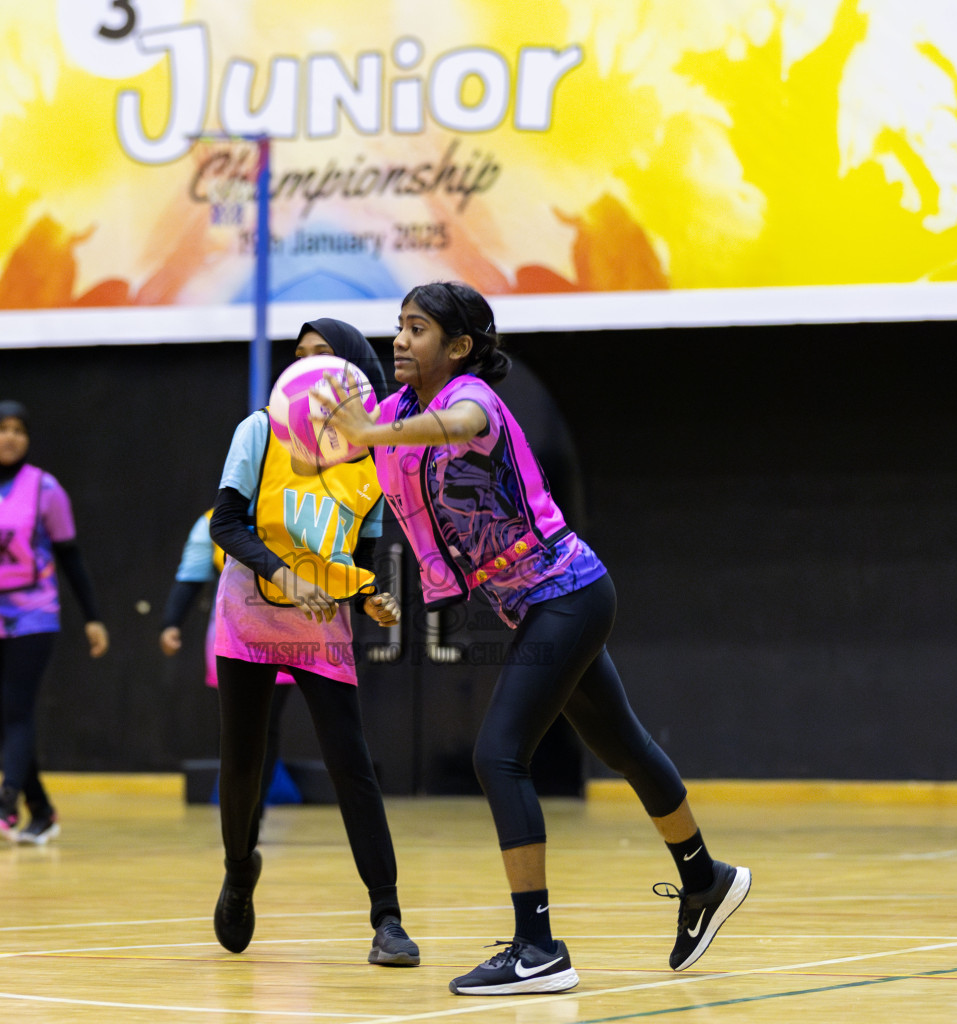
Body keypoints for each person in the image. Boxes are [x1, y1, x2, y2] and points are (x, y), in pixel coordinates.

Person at [322, 282, 751, 996]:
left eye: (417, 328)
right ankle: (706, 879)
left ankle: (538, 947)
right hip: (540, 604)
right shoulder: (395, 412)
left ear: (457, 347)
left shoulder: (472, 402)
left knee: (498, 755)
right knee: (623, 746)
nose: (400, 339)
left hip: (569, 594)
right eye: (397, 325)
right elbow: (349, 445)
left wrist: (368, 434)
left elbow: (455, 427)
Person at [207, 318, 419, 967]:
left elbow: (356, 556)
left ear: (354, 369)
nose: (305, 365)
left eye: (321, 354)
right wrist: (283, 575)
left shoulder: (370, 460)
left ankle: (387, 918)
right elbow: (226, 523)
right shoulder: (259, 430)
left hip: (319, 627)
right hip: (248, 616)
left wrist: (369, 595)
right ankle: (241, 872)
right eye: (297, 356)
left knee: (350, 765)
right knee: (243, 765)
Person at [0, 401, 109, 846]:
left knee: (17, 707)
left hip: (34, 613)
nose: (11, 437)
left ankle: (6, 801)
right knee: (5, 715)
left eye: (19, 430)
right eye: (1, 429)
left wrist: (93, 618)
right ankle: (42, 810)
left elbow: (70, 555)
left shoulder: (45, 488)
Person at [159, 510, 300, 809]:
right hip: (231, 632)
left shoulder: (294, 510)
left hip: (285, 629)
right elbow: (191, 577)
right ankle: (238, 805)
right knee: (237, 722)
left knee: (267, 722)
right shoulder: (212, 520)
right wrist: (171, 623)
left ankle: (254, 809)